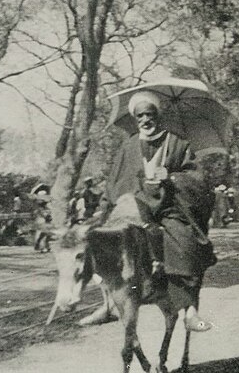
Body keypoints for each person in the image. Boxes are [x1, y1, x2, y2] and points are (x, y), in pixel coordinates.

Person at [91, 90, 216, 333]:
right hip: (136, 207)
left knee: (184, 242)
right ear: (135, 119)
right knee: (103, 243)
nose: (146, 121)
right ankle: (108, 304)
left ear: (158, 116)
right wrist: (103, 211)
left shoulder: (178, 143)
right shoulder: (128, 146)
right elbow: (114, 182)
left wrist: (172, 177)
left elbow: (198, 179)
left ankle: (191, 312)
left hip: (170, 208)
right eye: (140, 117)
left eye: (150, 115)